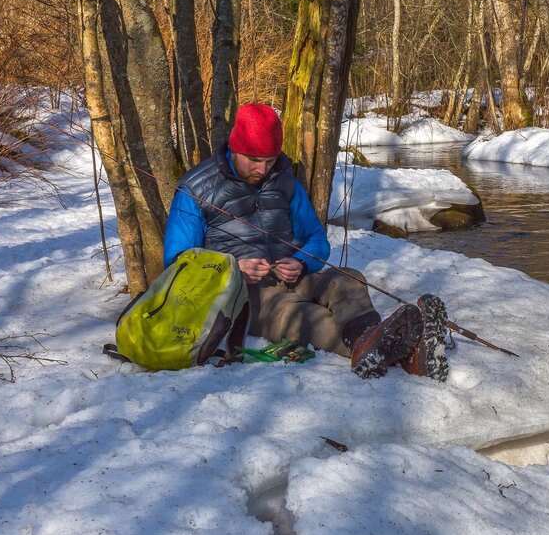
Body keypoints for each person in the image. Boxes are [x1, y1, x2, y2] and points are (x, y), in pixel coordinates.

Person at [162, 102, 449, 380]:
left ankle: (377, 343)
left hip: (291, 276)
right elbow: (178, 262)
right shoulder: (196, 188)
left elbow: (316, 238)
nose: (262, 170)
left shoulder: (284, 181)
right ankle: (398, 351)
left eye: (269, 161)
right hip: (242, 295)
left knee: (348, 279)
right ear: (235, 148)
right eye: (254, 160)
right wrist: (233, 268)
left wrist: (301, 262)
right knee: (299, 314)